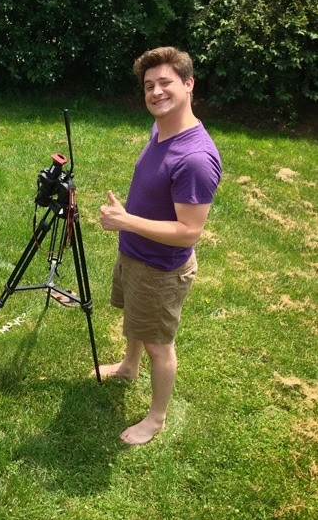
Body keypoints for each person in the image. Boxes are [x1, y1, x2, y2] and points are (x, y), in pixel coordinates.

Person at [97, 47, 222, 445]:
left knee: (158, 344)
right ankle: (127, 367)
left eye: (165, 83)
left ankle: (156, 418)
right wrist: (129, 226)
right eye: (149, 85)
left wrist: (126, 221)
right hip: (136, 253)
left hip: (161, 268)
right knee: (136, 321)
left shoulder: (195, 158)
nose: (156, 92)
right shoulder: (162, 130)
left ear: (188, 84)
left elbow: (189, 232)